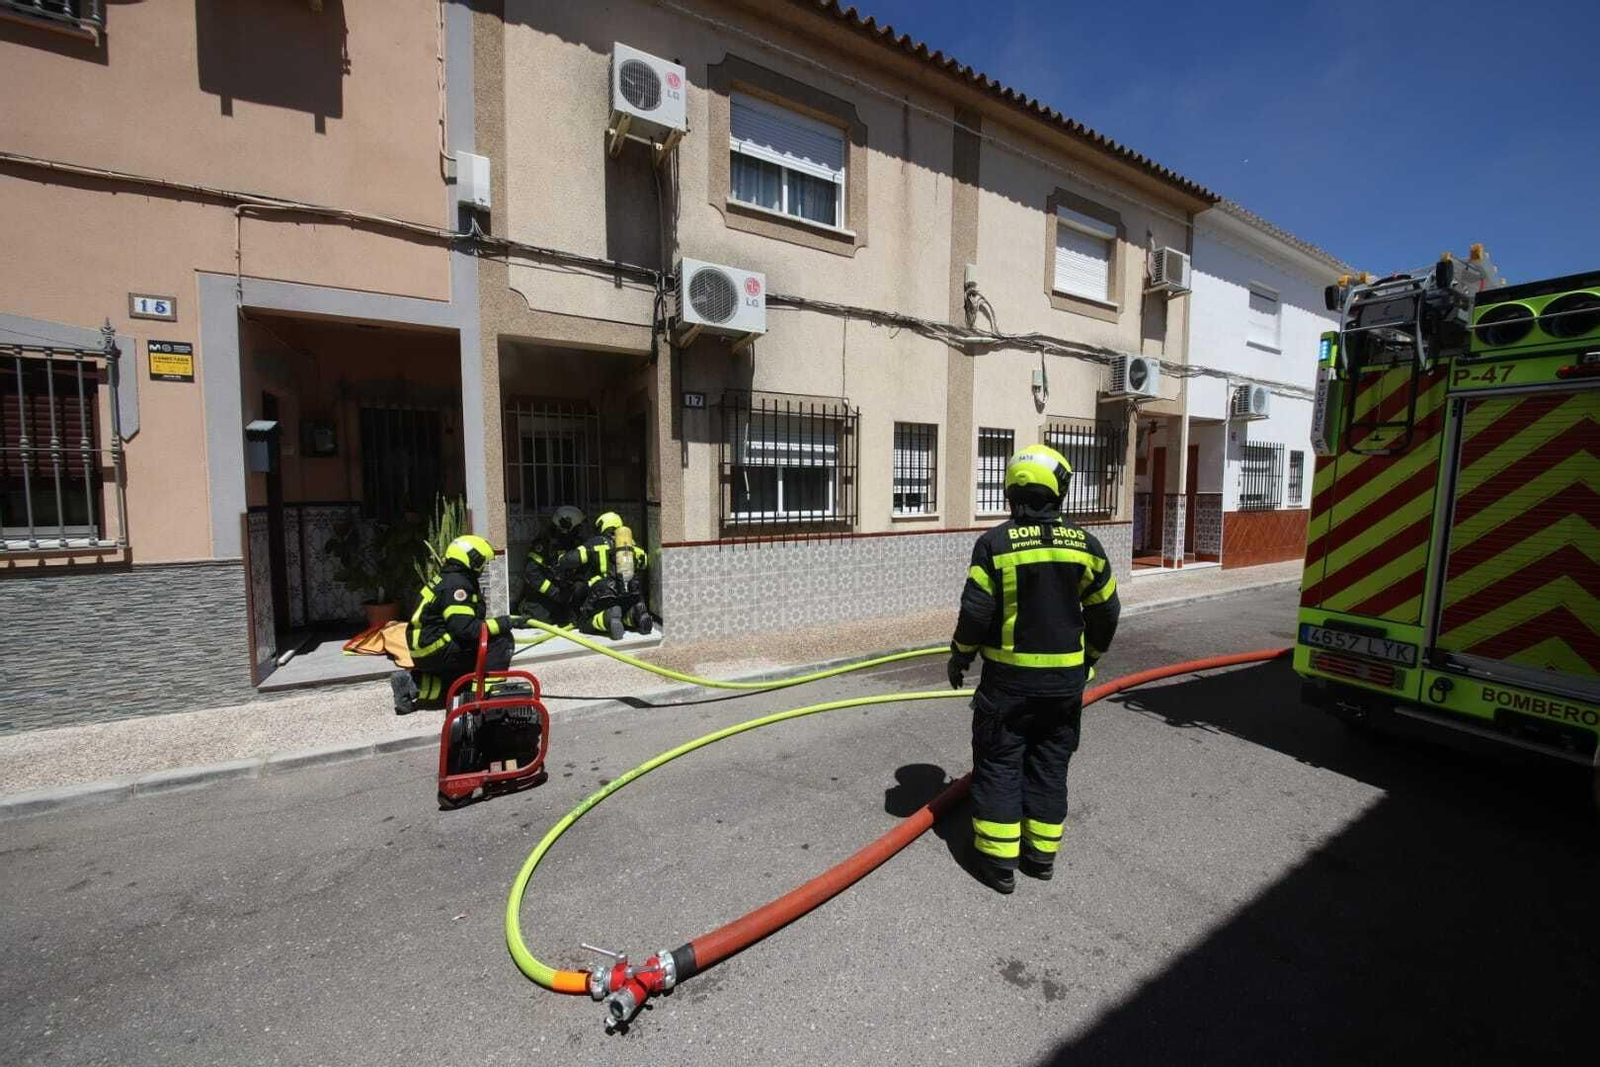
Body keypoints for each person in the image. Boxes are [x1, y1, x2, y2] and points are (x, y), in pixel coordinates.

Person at [946, 444, 1120, 894]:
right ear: (1060, 491)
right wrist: (1091, 659)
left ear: (1012, 491)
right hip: (1064, 686)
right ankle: (1041, 857)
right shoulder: (1086, 546)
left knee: (1001, 763)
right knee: (1049, 762)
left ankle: (999, 865)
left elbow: (975, 613)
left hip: (1007, 685)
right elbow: (1107, 611)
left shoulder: (995, 544)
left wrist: (961, 654)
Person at [390, 534, 525, 715]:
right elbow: (467, 629)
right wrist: (505, 623)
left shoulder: (449, 578)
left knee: (460, 686)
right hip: (436, 648)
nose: (482, 567)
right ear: (472, 559)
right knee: (501, 641)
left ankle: (411, 684)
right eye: (482, 561)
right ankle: (489, 698)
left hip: (427, 649)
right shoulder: (457, 585)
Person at [575, 511, 653, 640]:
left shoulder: (597, 542)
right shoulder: (630, 544)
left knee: (584, 623)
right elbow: (644, 562)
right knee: (624, 612)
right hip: (632, 590)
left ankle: (607, 618)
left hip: (606, 592)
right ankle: (636, 615)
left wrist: (560, 562)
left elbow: (573, 558)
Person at [519, 505, 587, 626]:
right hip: (544, 597)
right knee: (538, 623)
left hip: (566, 595)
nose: (578, 532)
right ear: (566, 526)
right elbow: (532, 574)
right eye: (577, 528)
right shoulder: (543, 545)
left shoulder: (576, 543)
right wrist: (554, 592)